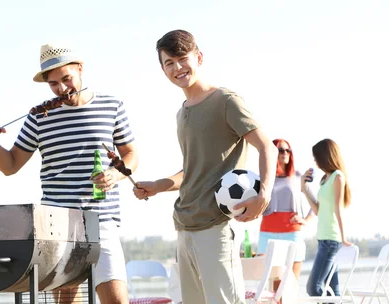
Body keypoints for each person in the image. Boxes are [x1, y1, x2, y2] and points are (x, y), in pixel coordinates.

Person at [0, 43, 138, 304]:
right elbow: (10, 166)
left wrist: (116, 174)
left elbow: (132, 154)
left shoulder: (112, 106)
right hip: (57, 223)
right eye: (54, 84)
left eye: (67, 79)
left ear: (80, 69)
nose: (62, 88)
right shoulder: (38, 117)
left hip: (101, 220)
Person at [132, 30, 278, 304]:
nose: (177, 67)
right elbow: (193, 170)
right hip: (184, 226)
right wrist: (158, 186)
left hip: (217, 227)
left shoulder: (226, 101)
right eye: (169, 63)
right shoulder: (181, 111)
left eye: (182, 59)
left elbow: (267, 147)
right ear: (163, 70)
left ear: (198, 57)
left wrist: (265, 194)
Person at [258, 139, 314, 285]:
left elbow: (316, 205)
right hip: (267, 235)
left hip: (292, 235)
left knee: (290, 284)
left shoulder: (297, 177)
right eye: (281, 150)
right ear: (273, 153)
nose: (285, 153)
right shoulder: (264, 178)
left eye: (288, 150)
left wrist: (305, 220)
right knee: (272, 286)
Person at [301, 138, 352, 297]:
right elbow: (317, 210)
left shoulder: (338, 176)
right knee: (332, 290)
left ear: (326, 156)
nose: (315, 161)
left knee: (313, 288)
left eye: (317, 157)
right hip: (323, 239)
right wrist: (304, 188)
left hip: (331, 240)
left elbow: (338, 208)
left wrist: (343, 237)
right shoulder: (325, 179)